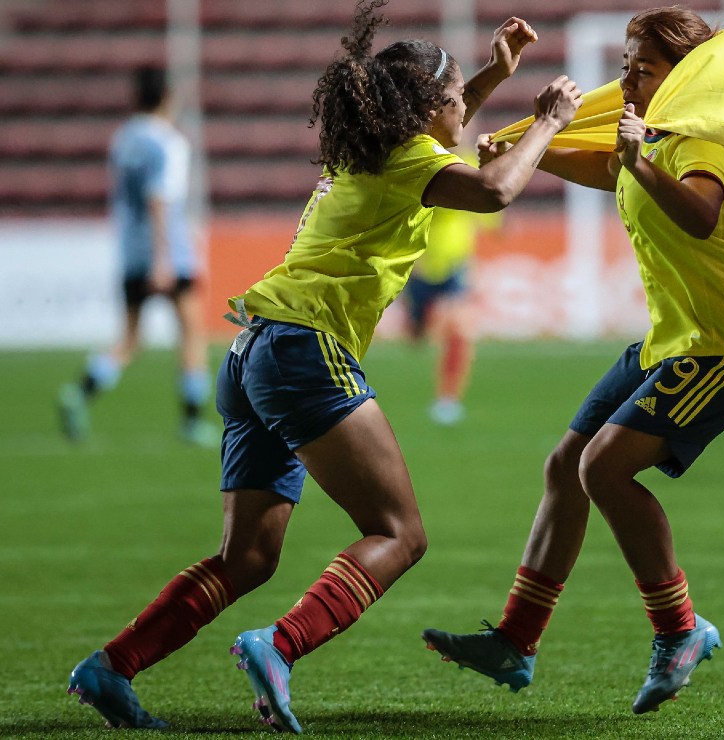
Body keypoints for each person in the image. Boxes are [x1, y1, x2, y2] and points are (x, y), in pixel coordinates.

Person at [65, 0, 581, 732]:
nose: (466, 109)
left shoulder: (368, 152)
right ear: (431, 106)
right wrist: (550, 120)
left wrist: (493, 72)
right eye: (460, 96)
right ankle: (278, 645)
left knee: (245, 557)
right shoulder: (407, 160)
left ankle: (111, 665)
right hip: (306, 351)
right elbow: (496, 190)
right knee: (400, 534)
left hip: (253, 352)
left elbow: (445, 131)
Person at [422, 6, 724, 715]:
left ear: (687, 77)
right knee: (566, 466)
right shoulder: (652, 135)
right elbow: (605, 170)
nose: (629, 79)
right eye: (625, 66)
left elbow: (701, 215)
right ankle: (516, 641)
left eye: (642, 69)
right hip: (669, 342)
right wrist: (527, 147)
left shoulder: (702, 137)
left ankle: (679, 628)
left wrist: (637, 157)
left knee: (602, 468)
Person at [58, 65, 218, 447]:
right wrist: (163, 258)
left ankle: (80, 393)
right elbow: (159, 199)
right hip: (168, 254)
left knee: (130, 339)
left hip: (130, 250)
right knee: (193, 333)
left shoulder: (124, 139)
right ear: (166, 97)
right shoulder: (168, 142)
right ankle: (192, 421)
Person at [401, 183, 499, 426]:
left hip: (456, 266)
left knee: (458, 331)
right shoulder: (419, 161)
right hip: (418, 265)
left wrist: (497, 221)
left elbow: (490, 203)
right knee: (415, 336)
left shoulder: (468, 166)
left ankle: (447, 400)